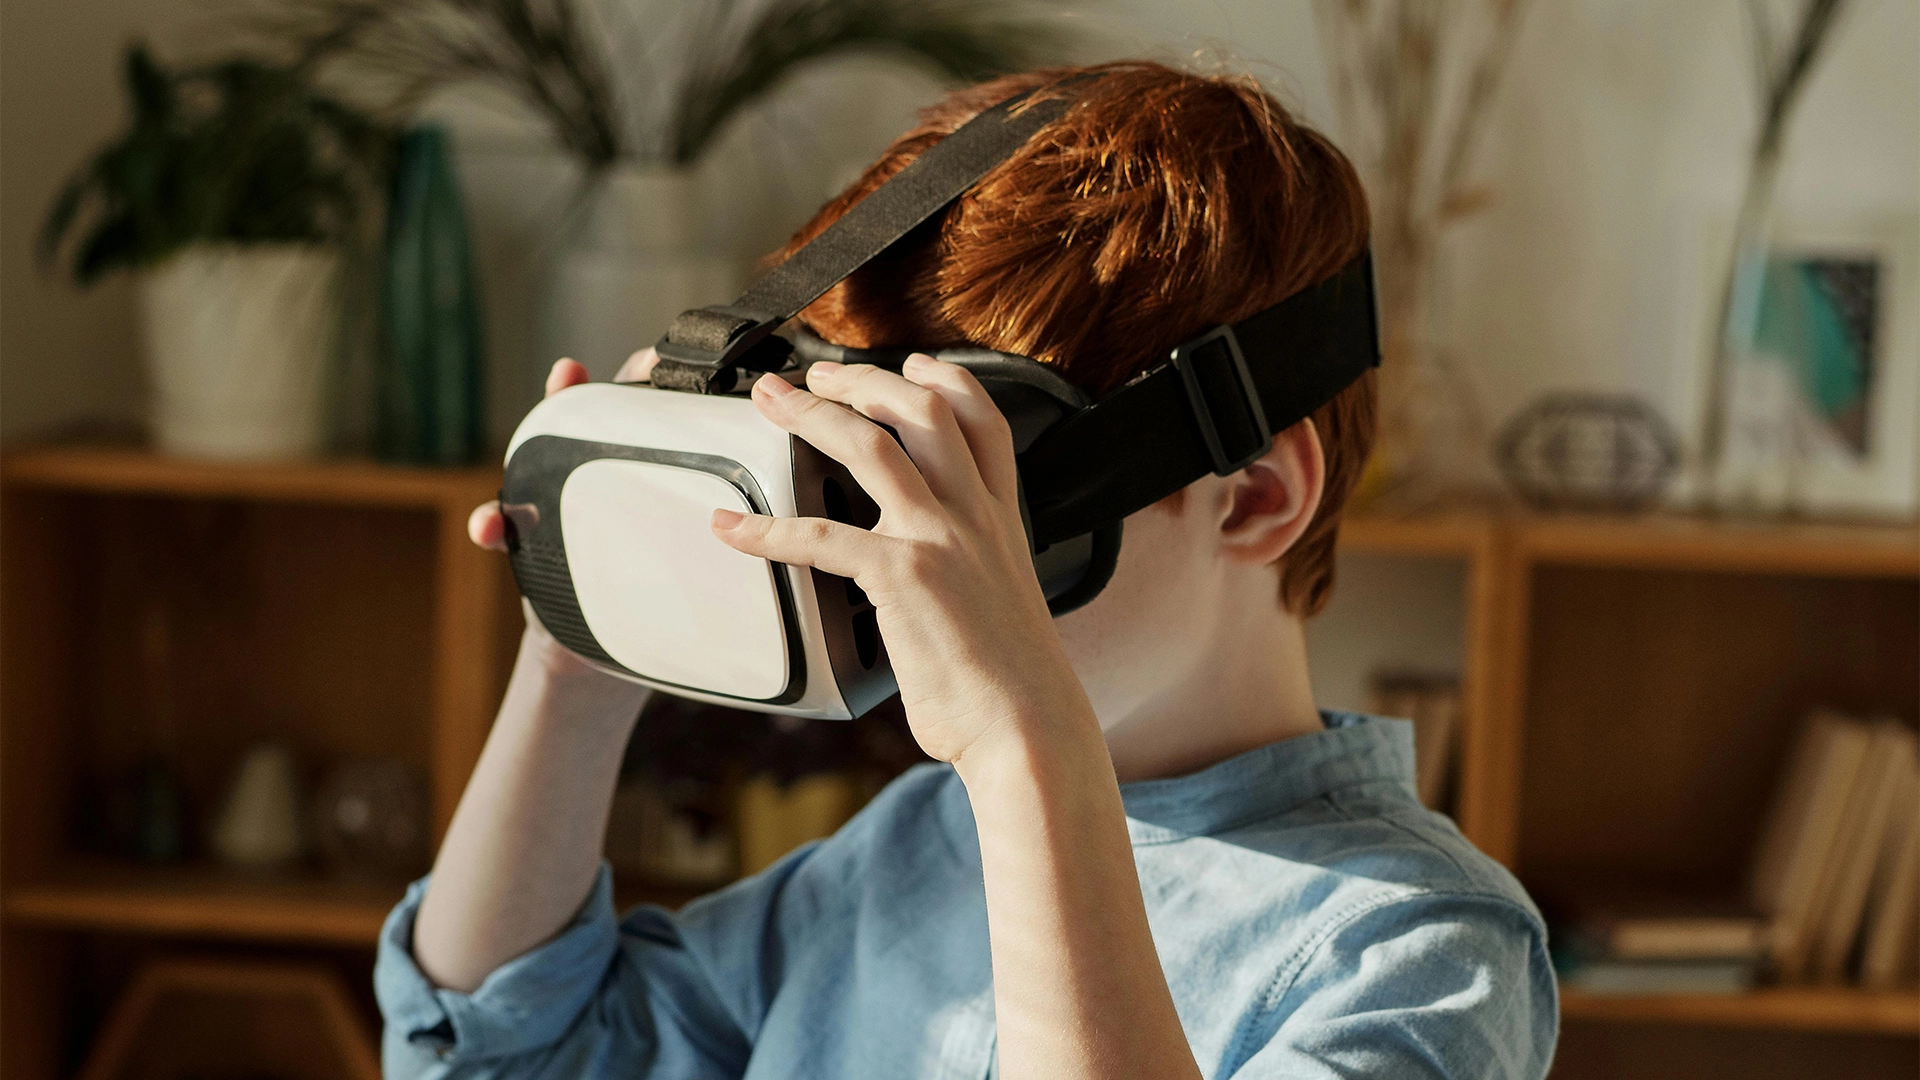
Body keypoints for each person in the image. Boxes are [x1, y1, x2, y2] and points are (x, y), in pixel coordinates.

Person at [375, 61, 1558, 1080]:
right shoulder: (909, 852)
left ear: (1253, 495)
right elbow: (503, 1053)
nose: (902, 555)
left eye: (976, 492)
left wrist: (1022, 748)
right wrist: (584, 649)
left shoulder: (1418, 951)